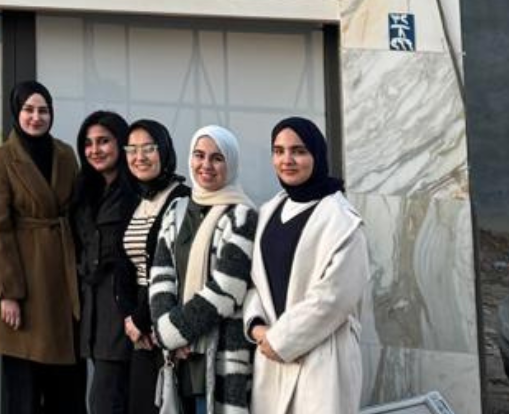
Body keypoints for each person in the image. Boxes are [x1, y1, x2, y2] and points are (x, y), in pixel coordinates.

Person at [243, 118, 370, 414]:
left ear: (317, 155)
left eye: (298, 151)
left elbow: (334, 299)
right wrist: (257, 327)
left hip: (323, 358)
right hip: (270, 358)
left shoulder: (343, 221)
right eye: (278, 151)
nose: (286, 160)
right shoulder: (268, 212)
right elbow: (255, 283)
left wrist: (281, 339)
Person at [0, 80, 82, 414]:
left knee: (66, 388)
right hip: (24, 281)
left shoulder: (66, 154)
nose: (37, 117)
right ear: (16, 112)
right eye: (29, 110)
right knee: (24, 389)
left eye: (43, 110)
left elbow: (78, 211)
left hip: (63, 278)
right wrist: (7, 292)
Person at [149, 125, 259, 414]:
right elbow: (160, 277)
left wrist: (171, 333)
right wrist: (170, 336)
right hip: (178, 356)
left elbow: (227, 289)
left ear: (230, 163)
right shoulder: (177, 210)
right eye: (199, 155)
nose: (206, 165)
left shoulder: (242, 216)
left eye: (217, 158)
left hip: (219, 350)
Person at [121, 119, 188, 414]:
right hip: (139, 326)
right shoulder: (135, 200)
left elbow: (176, 267)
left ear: (164, 151)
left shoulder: (182, 199)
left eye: (148, 148)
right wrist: (129, 317)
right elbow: (124, 265)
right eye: (132, 149)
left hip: (167, 316)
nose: (139, 157)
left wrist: (142, 317)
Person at [74, 109, 137, 414]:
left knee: (105, 402)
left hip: (123, 314)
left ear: (121, 143)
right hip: (92, 314)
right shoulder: (85, 191)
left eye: (103, 141)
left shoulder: (135, 193)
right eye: (88, 143)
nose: (94, 150)